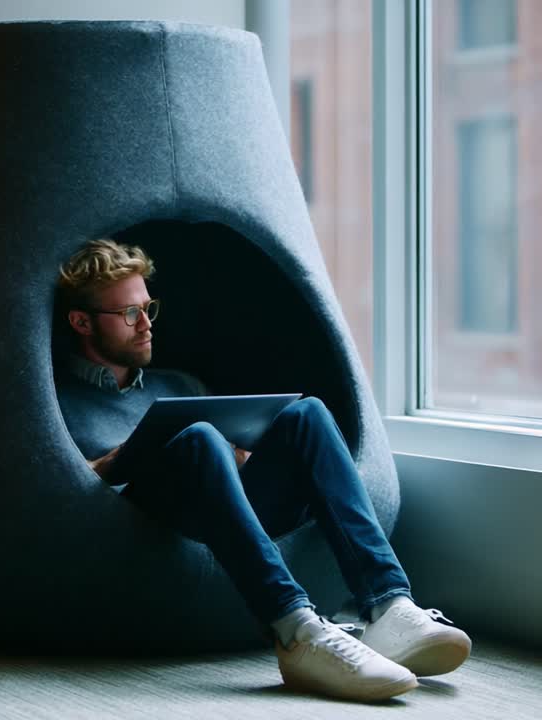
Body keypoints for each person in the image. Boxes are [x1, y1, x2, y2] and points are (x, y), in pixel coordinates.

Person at [54, 238, 471, 702]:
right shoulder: (58, 400)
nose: (147, 325)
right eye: (130, 314)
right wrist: (123, 457)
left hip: (222, 512)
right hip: (142, 524)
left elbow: (236, 460)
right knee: (199, 439)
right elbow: (51, 482)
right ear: (82, 322)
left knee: (306, 415)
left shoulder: (179, 384)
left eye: (149, 308)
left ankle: (389, 605)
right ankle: (296, 628)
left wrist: (237, 457)